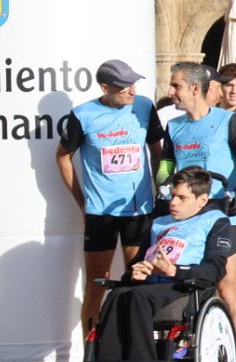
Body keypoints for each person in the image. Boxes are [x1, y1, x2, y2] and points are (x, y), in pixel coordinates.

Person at [94, 168, 235, 362]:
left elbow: (215, 270)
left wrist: (174, 271)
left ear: (202, 200)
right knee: (117, 295)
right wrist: (135, 272)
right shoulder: (158, 223)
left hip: (184, 288)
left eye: (181, 197)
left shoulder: (216, 221)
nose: (173, 202)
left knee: (136, 299)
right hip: (149, 286)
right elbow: (138, 262)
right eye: (172, 196)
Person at [161, 61, 236, 362]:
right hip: (188, 218)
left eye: (176, 86)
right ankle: (200, 361)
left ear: (194, 88)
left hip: (223, 213)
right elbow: (166, 166)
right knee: (194, 290)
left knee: (228, 289)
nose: (170, 92)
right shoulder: (174, 126)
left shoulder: (227, 120)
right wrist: (163, 188)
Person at [57, 59, 163, 330]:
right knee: (96, 284)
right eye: (125, 86)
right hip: (100, 212)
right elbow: (62, 157)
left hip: (139, 209)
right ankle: (90, 352)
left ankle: (135, 347)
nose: (133, 91)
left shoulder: (144, 107)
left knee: (139, 281)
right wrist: (81, 201)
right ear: (105, 88)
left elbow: (157, 151)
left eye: (133, 84)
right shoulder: (83, 115)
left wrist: (161, 188)